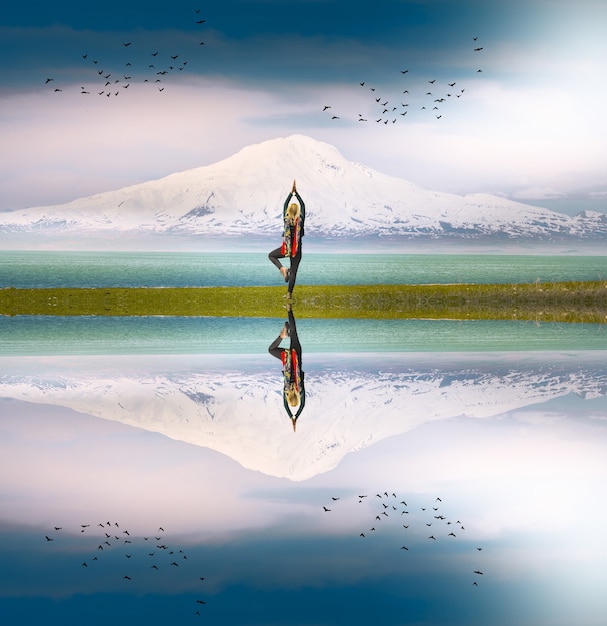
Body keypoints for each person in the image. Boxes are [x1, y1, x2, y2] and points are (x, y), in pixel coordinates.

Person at [268, 304, 305, 431]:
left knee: (294, 334)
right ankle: (282, 337)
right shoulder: (287, 390)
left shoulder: (300, 389)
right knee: (271, 350)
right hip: (287, 359)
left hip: (296, 356)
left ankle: (289, 309)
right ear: (289, 398)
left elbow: (303, 405)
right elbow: (285, 405)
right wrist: (291, 417)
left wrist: (296, 417)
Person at [268, 180, 305, 298]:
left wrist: (291, 193)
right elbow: (303, 205)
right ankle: (289, 294)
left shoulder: (286, 219)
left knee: (271, 255)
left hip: (286, 248)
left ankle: (282, 268)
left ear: (288, 211)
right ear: (298, 211)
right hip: (297, 250)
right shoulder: (301, 220)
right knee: (293, 271)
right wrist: (296, 194)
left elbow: (285, 205)